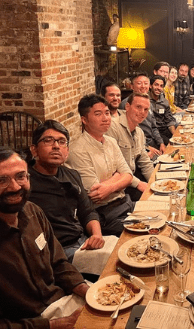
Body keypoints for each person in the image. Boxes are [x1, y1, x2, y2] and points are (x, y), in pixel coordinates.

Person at [0, 147, 88, 329]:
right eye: (1, 180)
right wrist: (53, 325)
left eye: (20, 176)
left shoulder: (33, 211)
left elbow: (58, 263)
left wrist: (85, 289)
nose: (15, 187)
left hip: (62, 303)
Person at [28, 120, 106, 262]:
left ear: (67, 151)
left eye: (62, 141)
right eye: (48, 141)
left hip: (82, 242)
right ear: (34, 150)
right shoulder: (25, 182)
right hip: (54, 253)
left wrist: (97, 235)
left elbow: (87, 211)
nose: (56, 146)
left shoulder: (72, 175)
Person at [66, 94, 134, 236]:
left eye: (107, 113)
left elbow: (128, 175)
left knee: (160, 211)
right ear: (84, 120)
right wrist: (117, 176)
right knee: (145, 233)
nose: (105, 118)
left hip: (125, 203)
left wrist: (110, 186)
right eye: (98, 114)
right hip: (104, 216)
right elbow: (96, 193)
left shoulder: (111, 142)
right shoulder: (77, 150)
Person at [106, 93, 156, 202]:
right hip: (118, 185)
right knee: (150, 201)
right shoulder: (113, 128)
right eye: (138, 107)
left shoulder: (139, 132)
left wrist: (156, 182)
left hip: (132, 179)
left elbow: (145, 162)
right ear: (127, 107)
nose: (142, 112)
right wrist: (139, 184)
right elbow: (114, 167)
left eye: (146, 109)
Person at [124, 72, 166, 158]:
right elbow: (129, 135)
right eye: (139, 83)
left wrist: (161, 143)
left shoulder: (147, 102)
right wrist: (147, 148)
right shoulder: (127, 104)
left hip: (152, 143)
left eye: (146, 83)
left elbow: (154, 127)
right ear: (132, 86)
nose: (143, 86)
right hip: (140, 149)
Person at [149, 75, 178, 145]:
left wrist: (175, 135)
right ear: (150, 86)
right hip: (153, 131)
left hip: (164, 129)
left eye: (161, 86)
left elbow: (169, 120)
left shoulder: (164, 102)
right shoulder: (146, 101)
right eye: (156, 85)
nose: (159, 88)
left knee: (180, 139)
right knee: (171, 144)